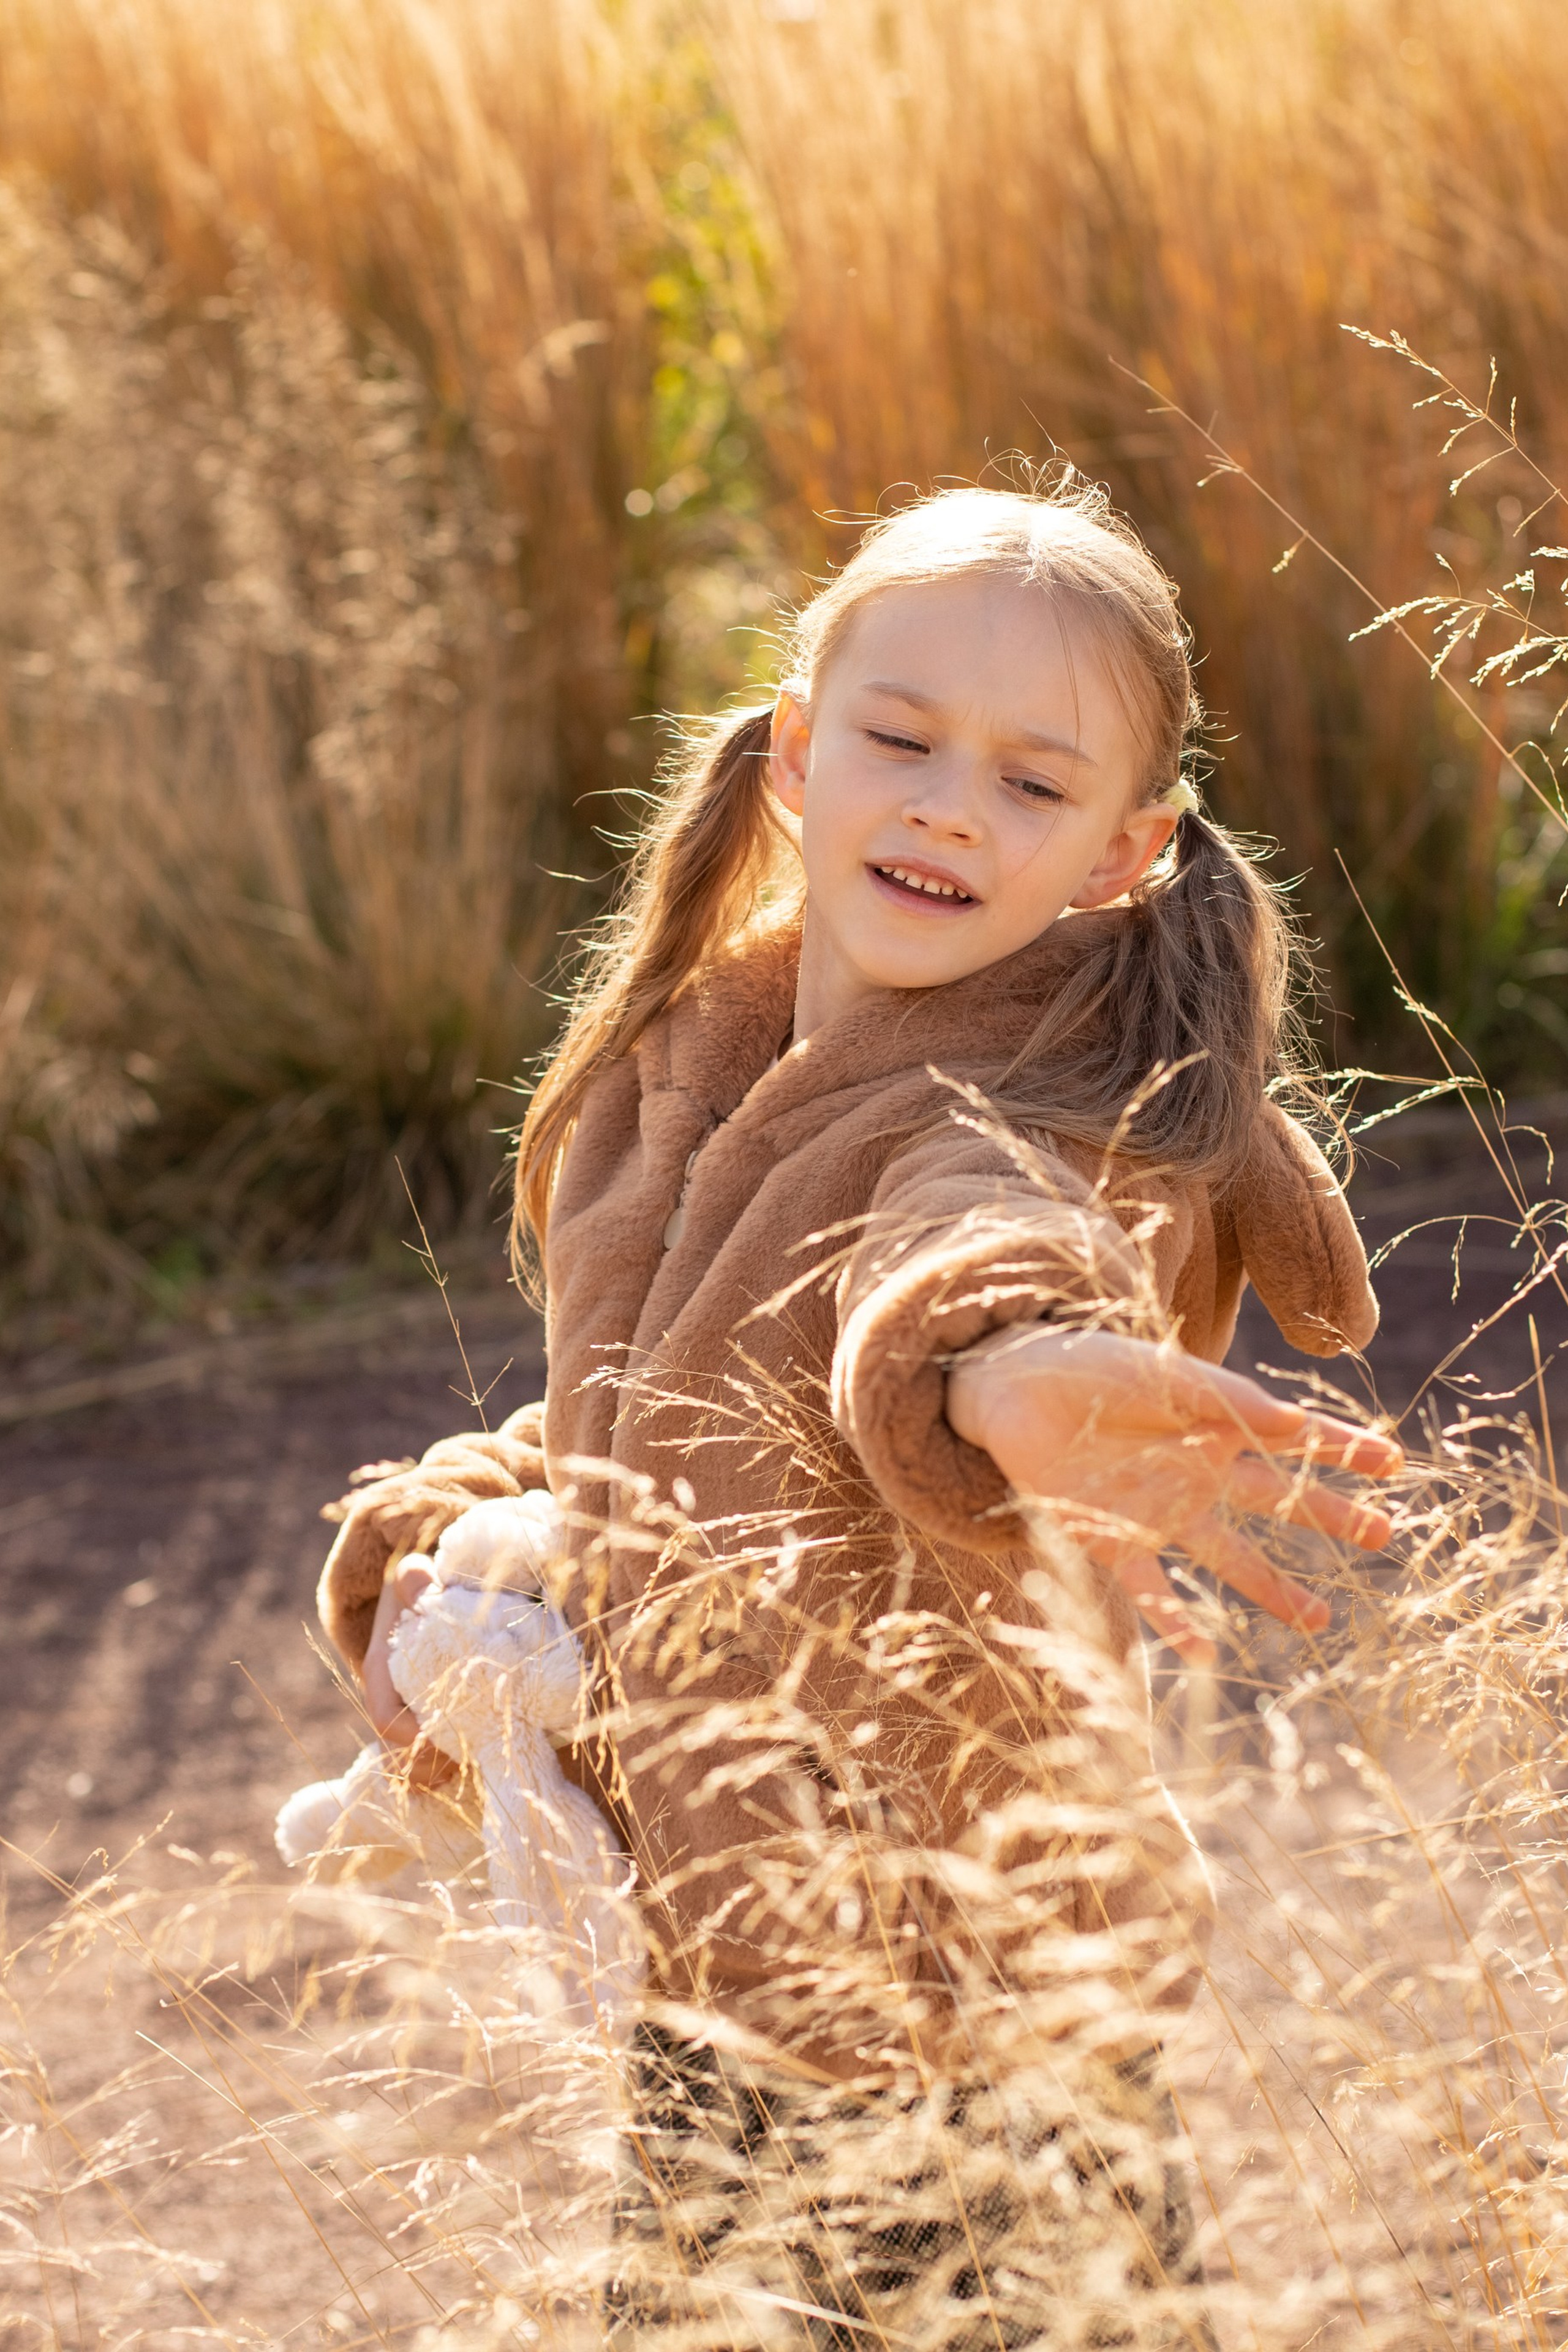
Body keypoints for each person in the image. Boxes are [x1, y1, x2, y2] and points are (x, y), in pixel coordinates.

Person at [317, 479, 1401, 2347]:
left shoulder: (1055, 1110)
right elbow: (648, 1427)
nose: (951, 804)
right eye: (902, 740)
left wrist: (1006, 1370)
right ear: (804, 759)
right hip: (723, 1983)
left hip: (971, 2014)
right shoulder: (692, 1064)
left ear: (1127, 855)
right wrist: (459, 1545)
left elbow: (981, 1240)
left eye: (1031, 783)